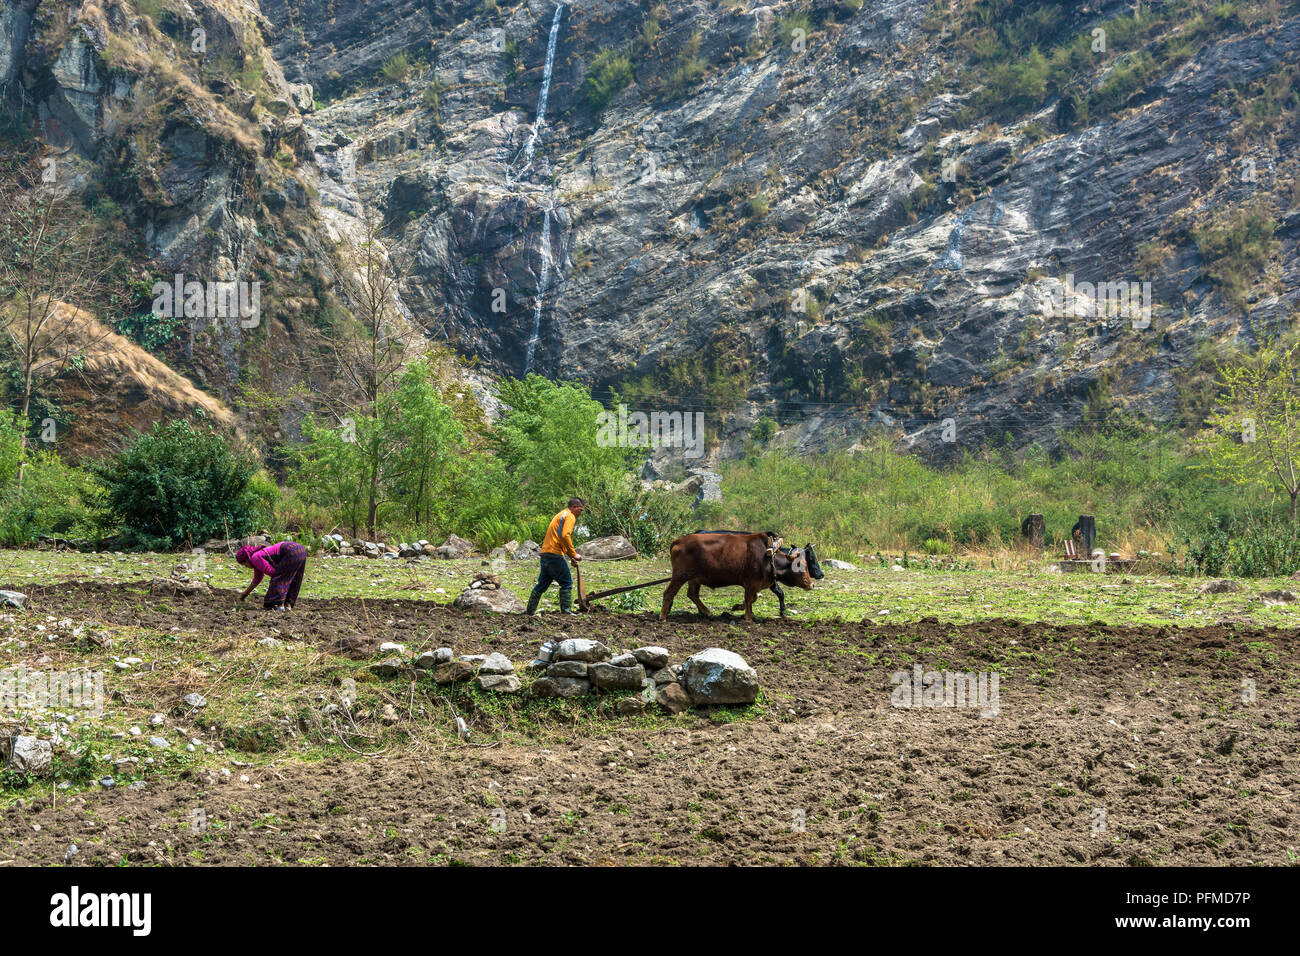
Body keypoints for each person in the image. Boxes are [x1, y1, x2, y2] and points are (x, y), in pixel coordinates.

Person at [526, 497, 585, 618]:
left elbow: (559, 538)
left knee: (542, 584)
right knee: (567, 583)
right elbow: (565, 535)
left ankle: (529, 612)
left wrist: (570, 557)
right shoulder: (570, 516)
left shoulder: (560, 514)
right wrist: (574, 554)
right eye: (580, 510)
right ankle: (566, 612)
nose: (581, 513)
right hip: (555, 554)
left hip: (546, 553)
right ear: (574, 507)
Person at [236, 540, 309, 611]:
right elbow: (257, 579)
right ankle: (288, 605)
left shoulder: (255, 558)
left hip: (291, 551)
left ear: (247, 559)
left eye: (244, 564)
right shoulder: (258, 556)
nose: (246, 566)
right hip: (300, 550)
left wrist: (277, 581)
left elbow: (273, 573)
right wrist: (246, 593)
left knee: (278, 578)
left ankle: (279, 606)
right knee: (294, 579)